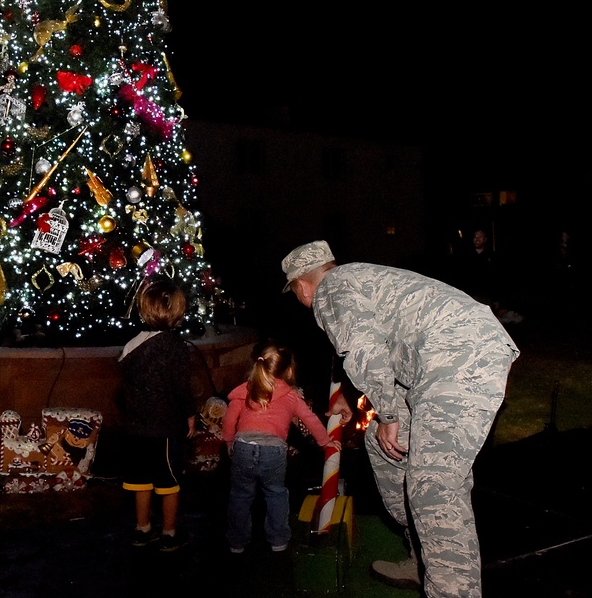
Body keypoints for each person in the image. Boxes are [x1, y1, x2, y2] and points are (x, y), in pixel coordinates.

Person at [281, 240, 520, 597]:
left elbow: (363, 348)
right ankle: (421, 559)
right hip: (443, 361)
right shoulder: (356, 278)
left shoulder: (330, 290)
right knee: (383, 442)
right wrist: (357, 400)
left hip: (458, 360)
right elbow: (381, 343)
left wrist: (388, 411)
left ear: (301, 286)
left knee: (434, 488)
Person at [221, 338, 341, 554]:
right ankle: (278, 541)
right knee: (276, 493)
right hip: (273, 451)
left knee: (240, 495)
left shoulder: (244, 390)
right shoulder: (291, 396)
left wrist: (229, 440)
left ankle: (237, 543)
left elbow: (230, 418)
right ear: (288, 372)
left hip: (244, 447)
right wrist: (326, 442)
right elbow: (310, 419)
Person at [118, 275, 197, 552]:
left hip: (135, 427)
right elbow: (181, 387)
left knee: (140, 481)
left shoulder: (131, 344)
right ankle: (169, 532)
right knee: (169, 483)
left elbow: (126, 386)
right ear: (176, 311)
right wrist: (190, 413)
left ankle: (142, 529)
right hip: (163, 428)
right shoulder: (175, 346)